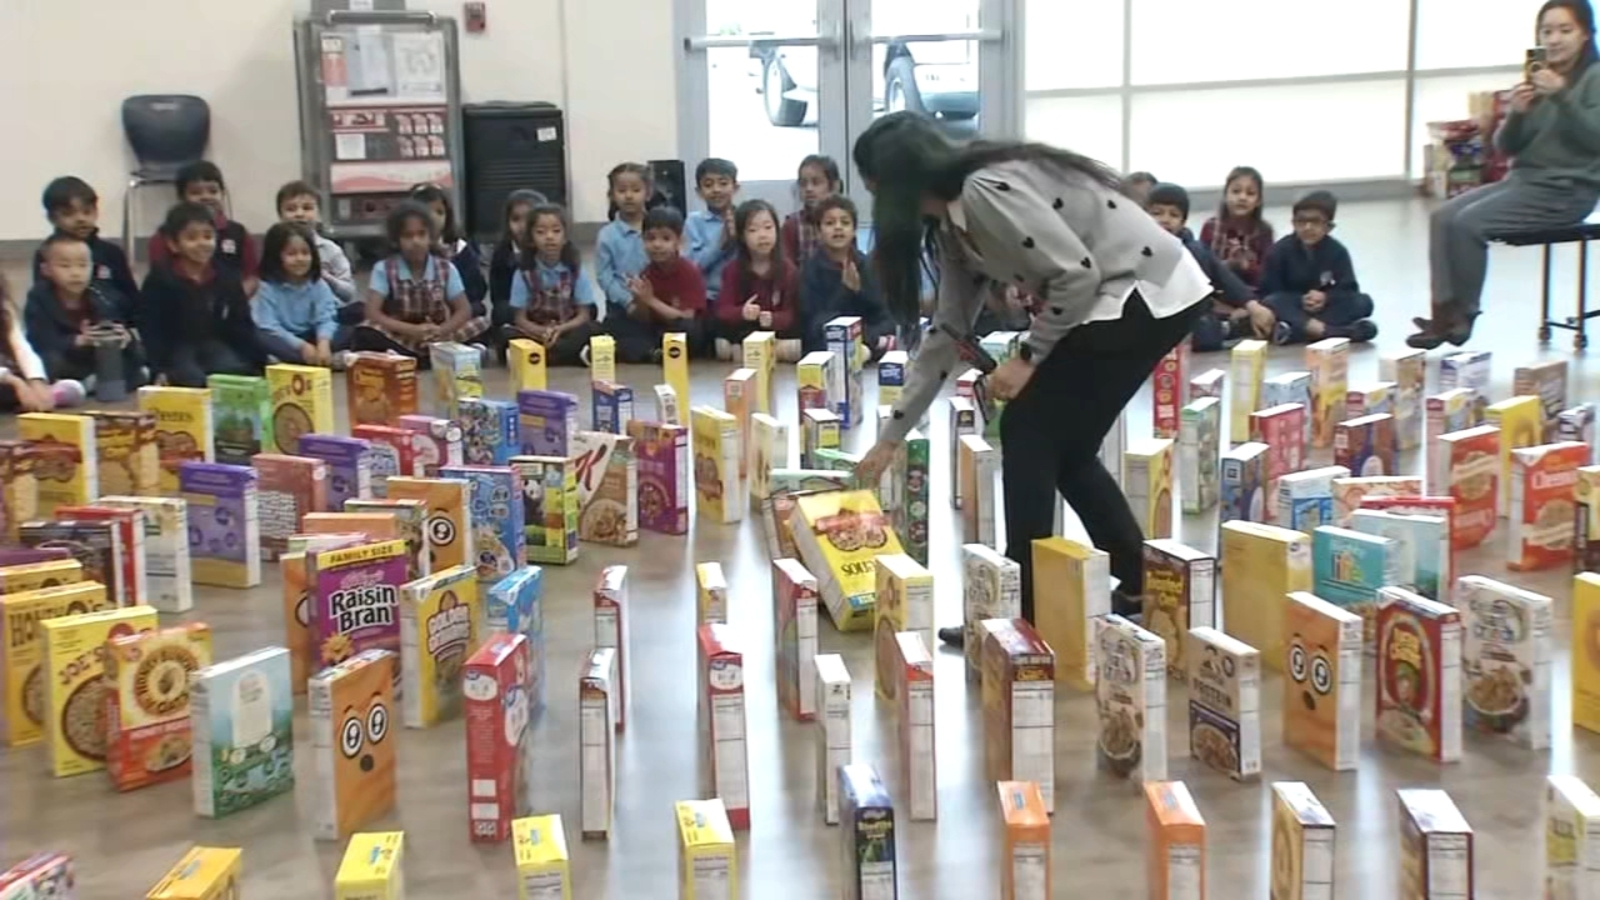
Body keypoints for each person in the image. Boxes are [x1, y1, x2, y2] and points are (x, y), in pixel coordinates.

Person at [850, 112, 1211, 645]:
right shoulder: (953, 225)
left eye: (874, 190)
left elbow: (1076, 275)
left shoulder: (984, 192)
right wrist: (890, 438)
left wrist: (1027, 358)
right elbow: (948, 330)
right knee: (1066, 448)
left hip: (1145, 293)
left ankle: (1023, 609)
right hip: (1129, 295)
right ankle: (1138, 583)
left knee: (1028, 430)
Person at [1410, 0, 1600, 348]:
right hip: (1523, 182)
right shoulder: (1538, 78)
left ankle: (1464, 314)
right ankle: (1441, 314)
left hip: (1567, 191)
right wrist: (1516, 113)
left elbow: (1594, 137)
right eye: (1546, 31)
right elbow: (1506, 146)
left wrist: (1562, 96)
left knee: (1468, 224)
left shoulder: (1593, 78)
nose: (1554, 39)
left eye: (1565, 30)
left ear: (1586, 34)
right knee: (1442, 217)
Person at [140, 202, 265, 386]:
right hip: (177, 348)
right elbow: (152, 328)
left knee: (234, 374)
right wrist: (158, 368)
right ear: (174, 244)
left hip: (214, 344)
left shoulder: (226, 277)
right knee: (192, 381)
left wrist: (259, 363)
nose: (202, 243)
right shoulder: (160, 279)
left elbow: (241, 323)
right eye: (191, 238)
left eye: (208, 236)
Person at [352, 201, 487, 365]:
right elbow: (372, 313)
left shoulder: (445, 268)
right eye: (408, 236)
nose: (416, 241)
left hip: (439, 334)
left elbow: (463, 309)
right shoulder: (384, 269)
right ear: (396, 240)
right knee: (366, 331)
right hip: (401, 334)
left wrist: (442, 330)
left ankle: (428, 357)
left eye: (421, 234)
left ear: (431, 237)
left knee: (482, 322)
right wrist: (411, 330)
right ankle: (428, 359)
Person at [1146, 182, 1270, 350]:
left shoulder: (1194, 250)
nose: (1165, 220)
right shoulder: (1134, 248)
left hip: (1186, 315)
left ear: (1183, 222)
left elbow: (1224, 277)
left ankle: (1227, 328)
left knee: (1205, 337)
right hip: (1149, 315)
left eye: (1174, 215)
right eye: (1157, 213)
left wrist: (1252, 305)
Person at [24, 234, 145, 389]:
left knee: (134, 353)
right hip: (65, 356)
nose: (76, 273)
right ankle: (82, 384)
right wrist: (77, 340)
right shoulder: (40, 297)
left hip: (95, 356)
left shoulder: (101, 294)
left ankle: (96, 382)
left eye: (83, 265)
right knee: (50, 361)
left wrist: (123, 338)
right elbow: (40, 340)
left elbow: (116, 324)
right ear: (46, 270)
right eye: (65, 266)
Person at [1260, 191, 1378, 345]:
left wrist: (1326, 297)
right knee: (1273, 302)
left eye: (1315, 222)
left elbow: (1348, 289)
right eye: (1301, 221)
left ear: (1329, 227)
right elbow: (1269, 293)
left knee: (1364, 302)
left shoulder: (1337, 251)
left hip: (1324, 308)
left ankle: (1298, 332)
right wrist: (1302, 299)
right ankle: (1336, 332)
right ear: (1293, 223)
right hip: (1294, 305)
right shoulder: (1279, 251)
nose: (1308, 227)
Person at [502, 203, 599, 366]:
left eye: (556, 231)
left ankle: (539, 357)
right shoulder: (523, 273)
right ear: (531, 239)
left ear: (565, 236)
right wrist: (543, 331)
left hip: (567, 329)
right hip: (536, 331)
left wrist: (559, 330)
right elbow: (520, 318)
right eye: (541, 232)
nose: (549, 237)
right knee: (506, 333)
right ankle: (569, 355)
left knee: (594, 328)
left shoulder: (575, 270)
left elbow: (584, 314)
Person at [800, 195, 895, 357]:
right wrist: (846, 291)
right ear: (818, 231)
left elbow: (883, 316)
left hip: (864, 336)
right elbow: (815, 324)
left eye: (845, 223)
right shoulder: (811, 269)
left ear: (854, 230)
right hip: (826, 344)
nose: (838, 228)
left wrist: (859, 292)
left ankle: (869, 346)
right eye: (830, 223)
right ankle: (872, 345)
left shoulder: (865, 265)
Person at [32, 177, 140, 318]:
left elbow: (132, 297)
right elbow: (42, 301)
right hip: (65, 324)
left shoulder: (111, 253)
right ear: (52, 218)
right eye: (68, 214)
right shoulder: (46, 254)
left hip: (112, 324)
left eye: (87, 212)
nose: (80, 219)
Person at [146, 161, 259, 294]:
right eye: (195, 192)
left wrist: (235, 297)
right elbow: (159, 278)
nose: (206, 197)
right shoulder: (164, 236)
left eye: (213, 191)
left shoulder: (238, 233)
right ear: (182, 197)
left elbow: (252, 276)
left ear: (222, 194)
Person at [715, 199, 801, 360]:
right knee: (719, 328)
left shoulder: (788, 270)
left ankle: (753, 352)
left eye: (768, 228)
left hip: (775, 330)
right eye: (753, 230)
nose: (762, 235)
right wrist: (742, 312)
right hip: (745, 328)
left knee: (799, 332)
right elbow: (723, 310)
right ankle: (761, 351)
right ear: (742, 236)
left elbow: (791, 313)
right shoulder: (732, 269)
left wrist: (773, 319)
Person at [252, 223, 348, 368]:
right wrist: (301, 346)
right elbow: (269, 325)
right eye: (291, 254)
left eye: (305, 253)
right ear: (276, 257)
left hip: (311, 335)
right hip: (284, 338)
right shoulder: (267, 287)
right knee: (258, 337)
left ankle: (306, 360)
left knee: (348, 329)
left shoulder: (318, 284)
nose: (300, 259)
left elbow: (325, 318)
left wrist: (323, 343)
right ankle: (312, 360)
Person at [621, 207, 710, 360]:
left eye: (666, 239)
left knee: (690, 329)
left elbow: (686, 317)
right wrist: (640, 300)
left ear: (679, 241)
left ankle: (656, 351)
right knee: (618, 324)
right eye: (650, 238)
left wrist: (651, 300)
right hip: (657, 330)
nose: (657, 245)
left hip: (681, 329)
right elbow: (645, 319)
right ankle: (655, 353)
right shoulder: (646, 273)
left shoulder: (690, 271)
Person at [409, 183, 490, 330]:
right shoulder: (407, 247)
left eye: (440, 212)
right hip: (415, 313)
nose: (434, 218)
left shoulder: (459, 248)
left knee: (479, 314)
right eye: (427, 212)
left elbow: (477, 289)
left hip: (455, 311)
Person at [0, 276, 84, 413]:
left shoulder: (4, 309)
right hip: (5, 378)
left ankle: (43, 396)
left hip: (9, 371)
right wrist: (15, 383)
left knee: (50, 361)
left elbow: (22, 348)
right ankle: (41, 397)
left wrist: (36, 381)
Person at [275, 181, 357, 305]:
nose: (299, 214)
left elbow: (349, 293)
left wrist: (326, 277)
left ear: (319, 215)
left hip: (330, 311)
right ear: (280, 216)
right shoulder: (275, 249)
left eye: (307, 208)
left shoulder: (330, 250)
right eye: (291, 209)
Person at [1200, 165, 1274, 289]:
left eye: (1250, 193)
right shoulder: (1210, 227)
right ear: (1225, 195)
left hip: (1253, 291)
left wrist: (1247, 266)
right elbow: (1201, 269)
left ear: (1258, 201)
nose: (1242, 198)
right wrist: (1227, 265)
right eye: (1236, 191)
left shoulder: (1264, 231)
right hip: (1217, 290)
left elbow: (1268, 274)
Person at [488, 189, 548, 338]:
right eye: (515, 219)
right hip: (519, 310)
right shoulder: (502, 253)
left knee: (590, 310)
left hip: (553, 306)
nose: (522, 226)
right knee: (501, 312)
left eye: (528, 219)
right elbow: (499, 296)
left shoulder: (554, 248)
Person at [686, 158, 740, 304]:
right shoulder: (693, 222)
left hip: (742, 297)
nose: (716, 189)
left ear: (735, 187)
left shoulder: (745, 217)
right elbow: (691, 267)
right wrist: (720, 245)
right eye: (708, 185)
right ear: (699, 191)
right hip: (707, 298)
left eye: (723, 183)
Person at [782, 155, 843, 266]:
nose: (809, 189)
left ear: (834, 186)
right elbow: (786, 269)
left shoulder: (843, 222)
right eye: (803, 183)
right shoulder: (792, 225)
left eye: (816, 182)